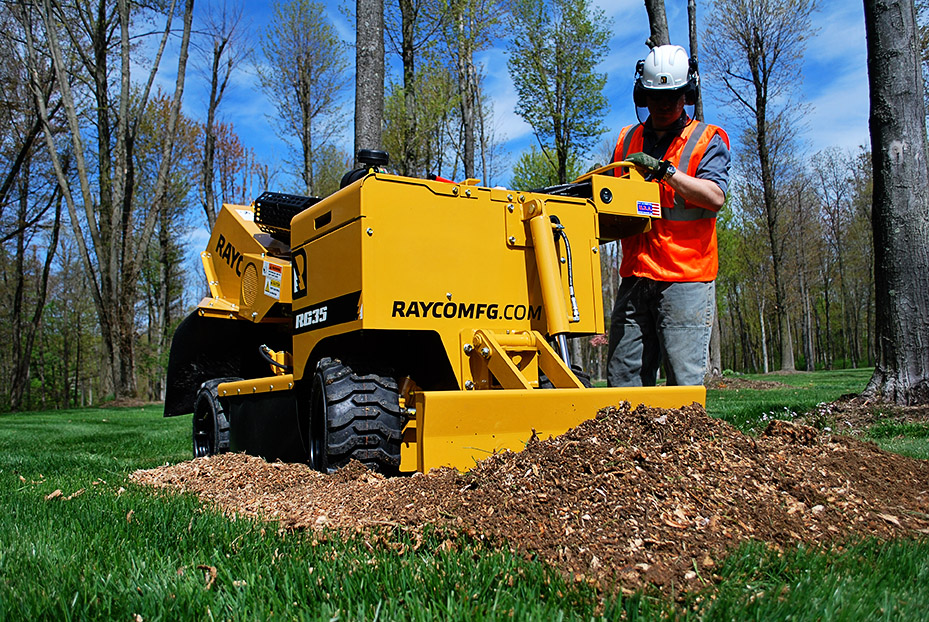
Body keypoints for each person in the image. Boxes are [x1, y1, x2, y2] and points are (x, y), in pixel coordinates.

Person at [607, 44, 731, 387]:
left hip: (685, 276)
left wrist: (666, 172)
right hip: (635, 273)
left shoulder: (706, 139)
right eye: (654, 96)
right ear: (642, 95)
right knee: (622, 375)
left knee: (683, 379)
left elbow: (715, 197)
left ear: (686, 95)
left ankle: (688, 442)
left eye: (673, 96)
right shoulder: (626, 139)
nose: (663, 105)